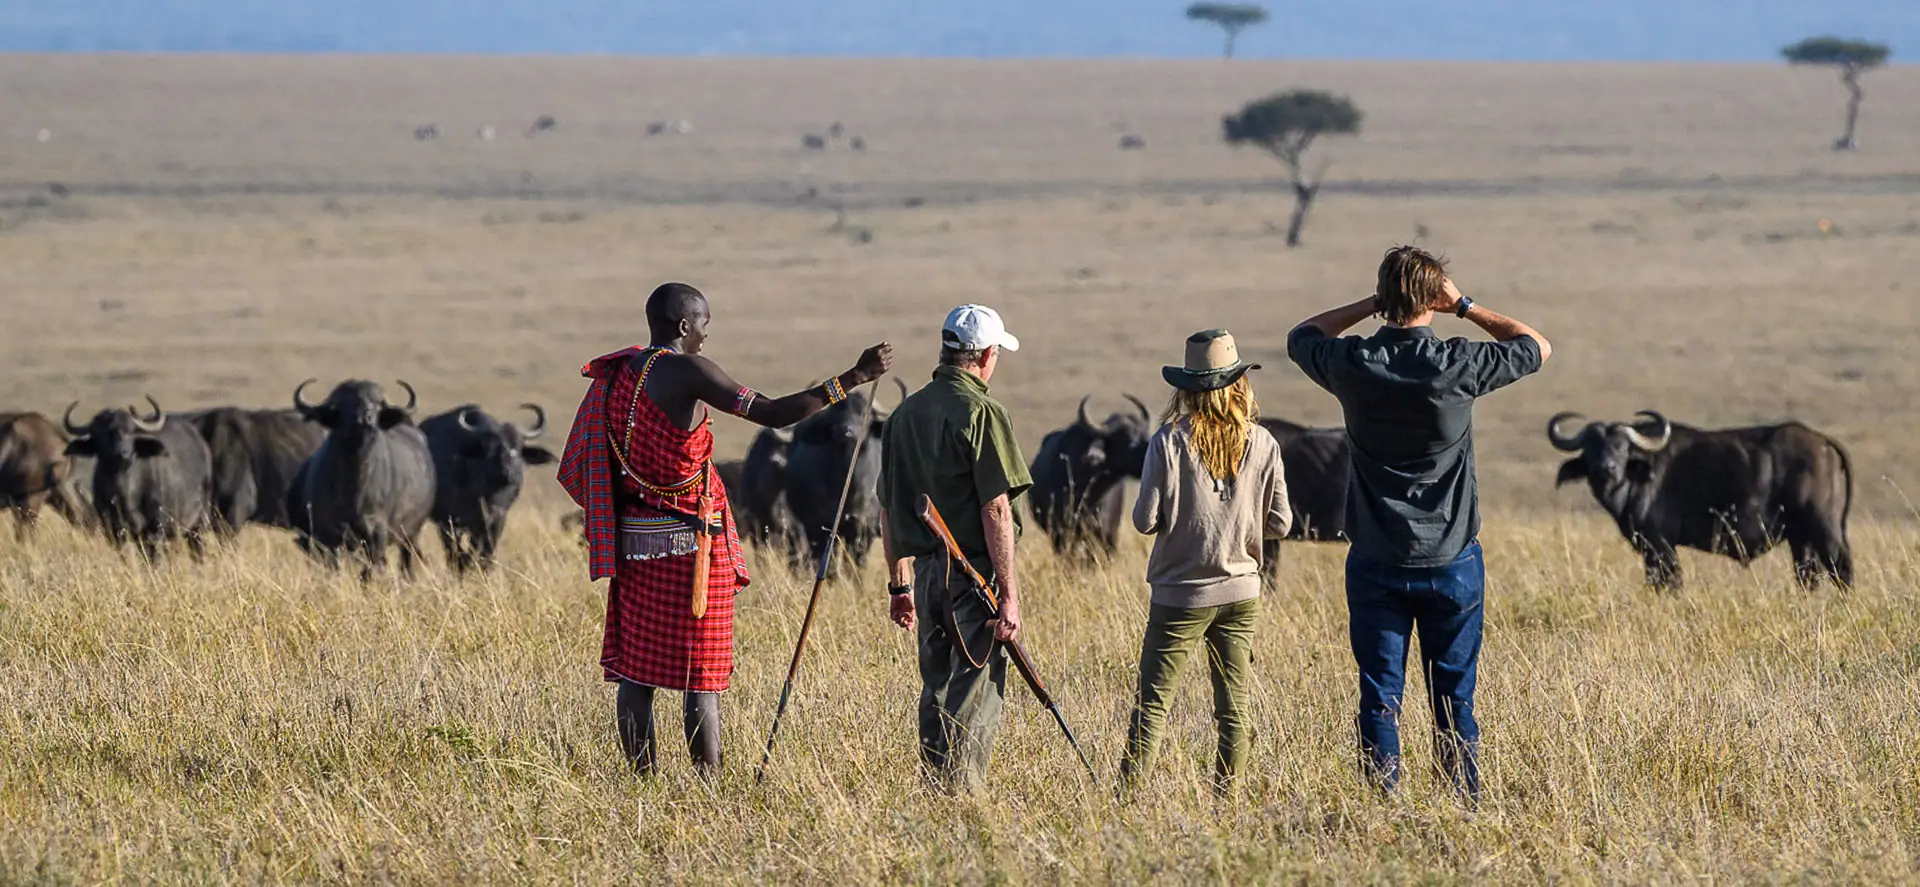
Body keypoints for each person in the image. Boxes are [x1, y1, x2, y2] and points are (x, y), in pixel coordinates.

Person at [558, 281, 891, 776]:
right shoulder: (688, 370)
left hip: (636, 539)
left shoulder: (619, 372)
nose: (706, 335)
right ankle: (708, 789)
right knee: (701, 676)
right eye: (704, 324)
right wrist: (853, 377)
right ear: (684, 326)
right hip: (692, 545)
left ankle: (640, 782)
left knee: (636, 671)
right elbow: (772, 413)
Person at [1287, 246, 1551, 800]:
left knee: (1380, 694)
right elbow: (1536, 347)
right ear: (1434, 298)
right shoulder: (1457, 363)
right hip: (1452, 558)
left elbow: (1302, 335)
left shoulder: (1355, 365)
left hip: (1376, 559)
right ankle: (1462, 802)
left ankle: (1383, 806)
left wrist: (1373, 303)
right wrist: (1465, 306)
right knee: (1454, 700)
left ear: (1386, 300)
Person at [1120, 330, 1293, 798]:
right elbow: (1280, 523)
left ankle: (1128, 800)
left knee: (1153, 706)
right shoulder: (1263, 442)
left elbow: (1143, 520)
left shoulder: (1167, 443)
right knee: (1234, 706)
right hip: (1241, 592)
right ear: (1238, 384)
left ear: (1187, 388)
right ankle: (1227, 798)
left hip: (1181, 593)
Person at [876, 304, 1031, 793]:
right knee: (975, 686)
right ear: (985, 355)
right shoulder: (983, 412)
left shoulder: (903, 415)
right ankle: (962, 796)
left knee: (936, 684)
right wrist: (1007, 593)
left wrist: (898, 585)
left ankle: (933, 788)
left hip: (925, 577)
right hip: (974, 576)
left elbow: (888, 509)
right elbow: (997, 511)